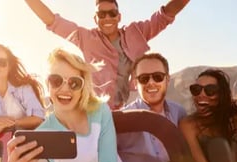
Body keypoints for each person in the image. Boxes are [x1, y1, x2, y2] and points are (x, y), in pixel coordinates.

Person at [7, 48, 146, 162]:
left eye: (74, 83)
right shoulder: (47, 130)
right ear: (48, 84)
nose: (64, 88)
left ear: (83, 87)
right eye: (56, 81)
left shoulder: (100, 113)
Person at [23, 0, 190, 109]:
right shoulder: (86, 38)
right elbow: (52, 21)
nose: (107, 17)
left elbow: (164, 16)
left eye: (112, 13)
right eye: (101, 14)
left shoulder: (136, 32)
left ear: (119, 17)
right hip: (95, 110)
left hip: (129, 107)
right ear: (95, 19)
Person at [117, 53, 186, 162]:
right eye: (144, 78)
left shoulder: (179, 113)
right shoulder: (124, 119)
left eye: (157, 76)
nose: (151, 83)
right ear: (135, 83)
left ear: (167, 79)